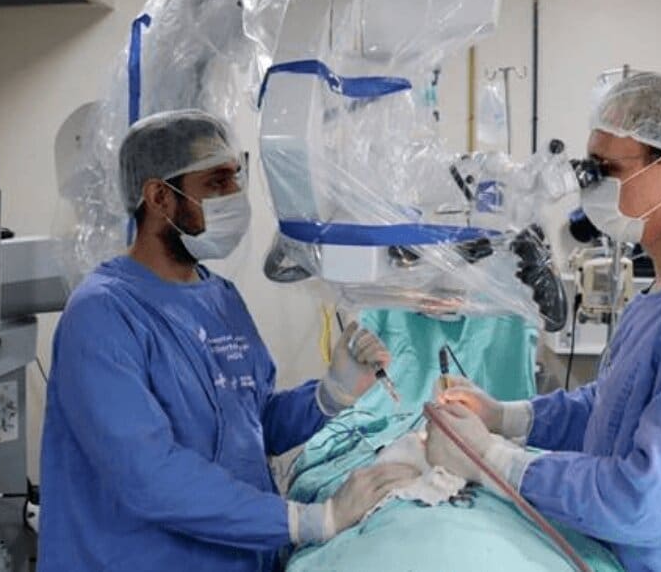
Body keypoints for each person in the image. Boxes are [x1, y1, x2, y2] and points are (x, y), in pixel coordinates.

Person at [424, 71, 661, 571]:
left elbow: (658, 504)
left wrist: (493, 460)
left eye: (606, 169)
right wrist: (505, 418)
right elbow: (614, 410)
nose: (590, 188)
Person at [39, 109, 418, 571]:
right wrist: (312, 520)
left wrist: (329, 395)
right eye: (217, 182)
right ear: (159, 196)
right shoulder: (102, 314)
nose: (235, 196)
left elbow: (250, 424)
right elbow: (148, 475)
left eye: (237, 178)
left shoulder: (220, 296)